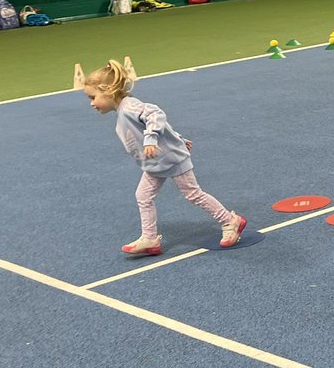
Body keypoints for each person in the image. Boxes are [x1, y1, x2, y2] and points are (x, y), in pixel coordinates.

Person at [82, 60, 246, 256]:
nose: (92, 103)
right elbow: (160, 127)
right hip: (156, 163)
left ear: (109, 91)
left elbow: (156, 115)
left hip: (171, 159)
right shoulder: (123, 112)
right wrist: (178, 138)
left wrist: (151, 140)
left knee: (193, 194)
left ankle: (230, 221)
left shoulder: (130, 107)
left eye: (93, 97)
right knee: (143, 196)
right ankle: (150, 238)